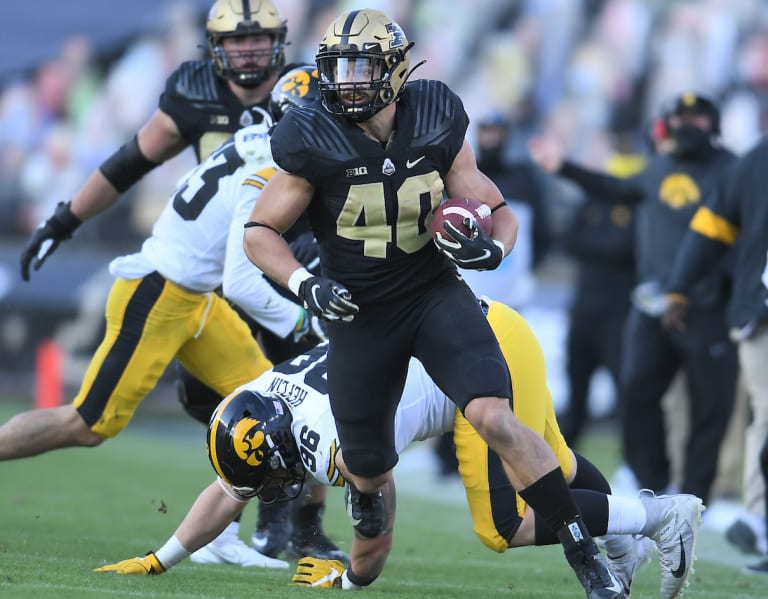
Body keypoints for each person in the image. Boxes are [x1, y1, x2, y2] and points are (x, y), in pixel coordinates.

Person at [242, 8, 654, 598]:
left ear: (395, 70)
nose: (347, 81)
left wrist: (494, 251)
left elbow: (499, 210)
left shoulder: (433, 114)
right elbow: (260, 233)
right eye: (339, 67)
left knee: (493, 415)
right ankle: (360, 540)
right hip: (358, 316)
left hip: (432, 294)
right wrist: (306, 285)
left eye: (361, 67)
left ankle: (585, 556)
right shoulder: (312, 133)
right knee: (368, 475)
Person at [16, 0, 341, 564]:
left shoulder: (260, 142)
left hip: (198, 293)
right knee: (88, 423)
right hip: (165, 289)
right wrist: (305, 314)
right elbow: (243, 281)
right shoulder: (269, 165)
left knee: (269, 401)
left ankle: (224, 537)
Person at [94, 299, 704, 599]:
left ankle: (661, 517)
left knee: (502, 523)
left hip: (476, 357)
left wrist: (349, 581)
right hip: (492, 327)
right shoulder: (261, 399)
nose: (263, 489)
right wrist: (161, 559)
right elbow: (233, 487)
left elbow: (377, 536)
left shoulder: (331, 442)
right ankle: (628, 530)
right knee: (556, 464)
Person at [529, 92, 739, 507]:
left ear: (712, 125)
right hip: (654, 306)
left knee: (709, 409)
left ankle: (697, 498)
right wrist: (565, 167)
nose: (687, 127)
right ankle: (653, 482)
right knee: (637, 390)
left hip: (706, 308)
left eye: (696, 120)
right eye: (680, 119)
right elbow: (614, 188)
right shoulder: (657, 168)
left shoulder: (730, 170)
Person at [661, 136, 768, 560]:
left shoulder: (753, 159)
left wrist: (678, 288)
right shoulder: (754, 162)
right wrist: (679, 289)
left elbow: (709, 230)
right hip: (758, 308)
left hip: (755, 307)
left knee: (764, 415)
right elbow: (711, 229)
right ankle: (759, 521)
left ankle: (759, 519)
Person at [557, 132, 642, 448]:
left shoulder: (636, 204)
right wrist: (607, 246)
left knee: (626, 389)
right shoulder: (590, 201)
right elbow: (570, 242)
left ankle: (634, 460)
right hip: (584, 309)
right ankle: (563, 457)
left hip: (618, 313)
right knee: (576, 387)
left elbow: (628, 248)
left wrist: (601, 245)